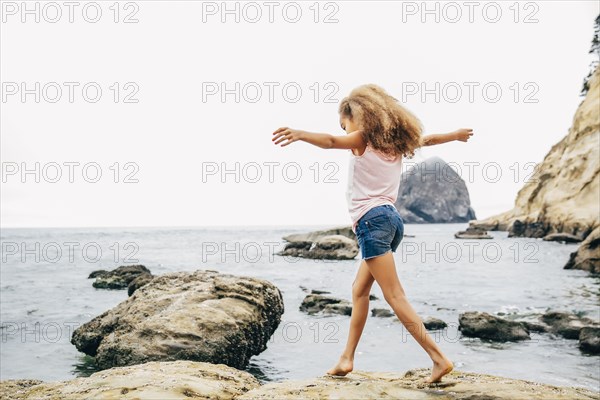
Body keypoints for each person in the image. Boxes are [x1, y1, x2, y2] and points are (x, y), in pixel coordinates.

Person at [271, 83, 473, 384]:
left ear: (356, 117)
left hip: (372, 221)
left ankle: (438, 358)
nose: (344, 129)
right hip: (391, 221)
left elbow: (329, 141)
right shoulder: (396, 142)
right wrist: (454, 136)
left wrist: (300, 134)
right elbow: (427, 140)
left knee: (394, 295)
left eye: (345, 123)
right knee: (359, 291)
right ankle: (346, 359)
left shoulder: (363, 140)